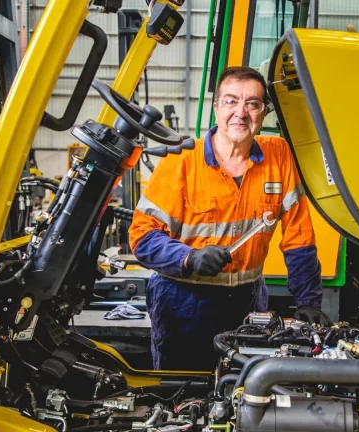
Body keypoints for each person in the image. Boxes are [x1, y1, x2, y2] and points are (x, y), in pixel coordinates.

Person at [128, 66, 331, 370]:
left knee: (244, 392)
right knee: (181, 392)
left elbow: (298, 239)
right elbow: (142, 238)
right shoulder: (181, 160)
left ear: (264, 113)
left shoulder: (279, 155)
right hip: (183, 301)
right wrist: (190, 257)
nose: (241, 112)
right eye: (231, 101)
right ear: (216, 108)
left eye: (252, 103)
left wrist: (308, 303)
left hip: (247, 300)